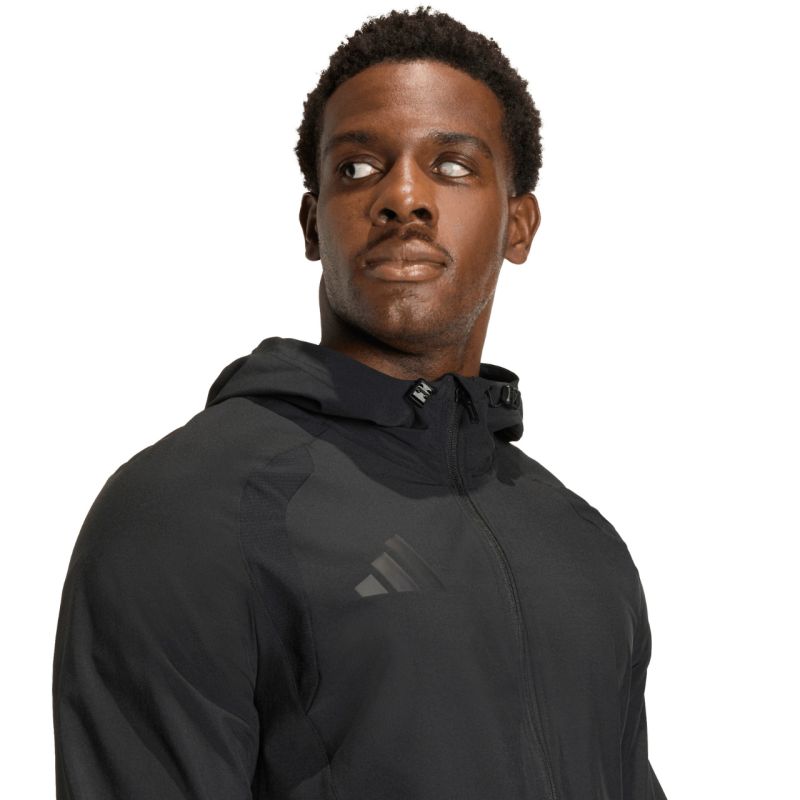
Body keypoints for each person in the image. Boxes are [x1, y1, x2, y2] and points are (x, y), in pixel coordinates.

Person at [52, 7, 668, 799]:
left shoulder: (581, 545)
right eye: (358, 167)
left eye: (452, 166)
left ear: (519, 225)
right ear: (313, 224)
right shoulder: (188, 508)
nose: (403, 197)